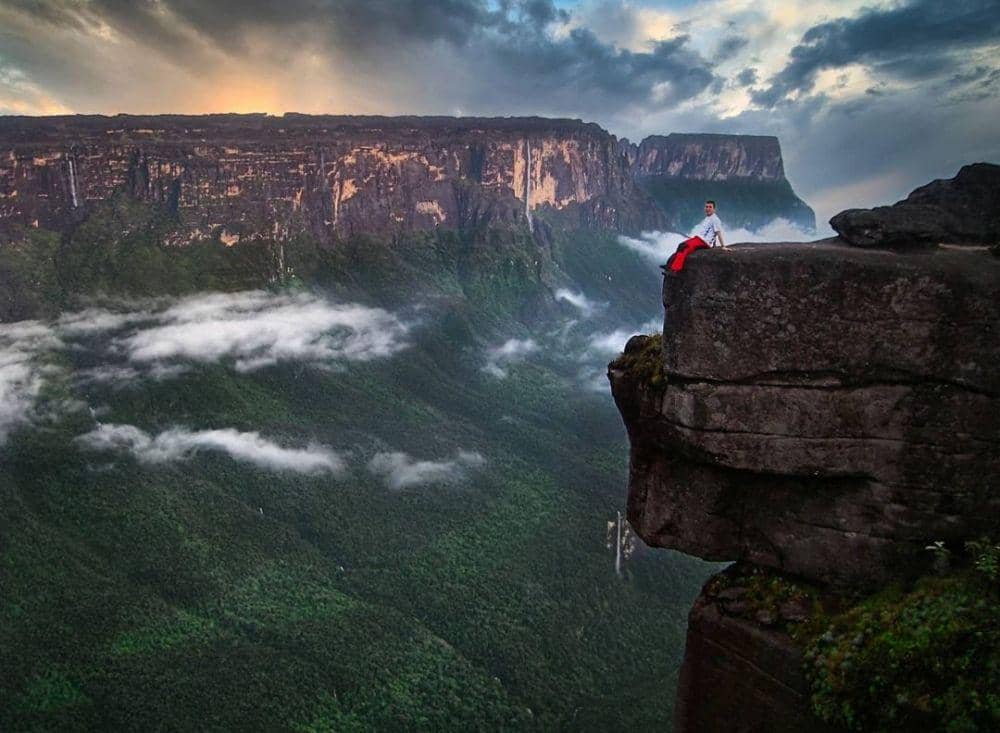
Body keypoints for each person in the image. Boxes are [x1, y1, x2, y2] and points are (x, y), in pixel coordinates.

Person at [663, 200, 727, 273]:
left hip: (704, 242)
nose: (708, 208)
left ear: (714, 209)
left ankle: (675, 270)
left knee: (684, 248)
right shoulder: (708, 218)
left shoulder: (715, 219)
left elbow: (718, 233)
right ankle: (671, 266)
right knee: (681, 246)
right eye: (706, 207)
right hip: (698, 239)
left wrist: (723, 246)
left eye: (710, 207)